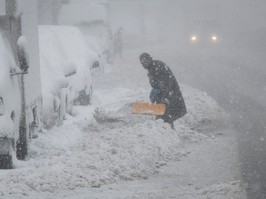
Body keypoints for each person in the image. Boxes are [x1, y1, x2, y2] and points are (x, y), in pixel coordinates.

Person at [139, 53, 187, 129]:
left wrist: (160, 95)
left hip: (168, 94)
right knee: (164, 116)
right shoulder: (152, 67)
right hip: (166, 94)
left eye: (145, 61)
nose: (144, 64)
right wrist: (156, 91)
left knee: (165, 116)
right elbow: (157, 84)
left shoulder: (157, 67)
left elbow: (165, 82)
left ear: (150, 59)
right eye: (142, 63)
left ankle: (167, 134)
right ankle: (166, 132)